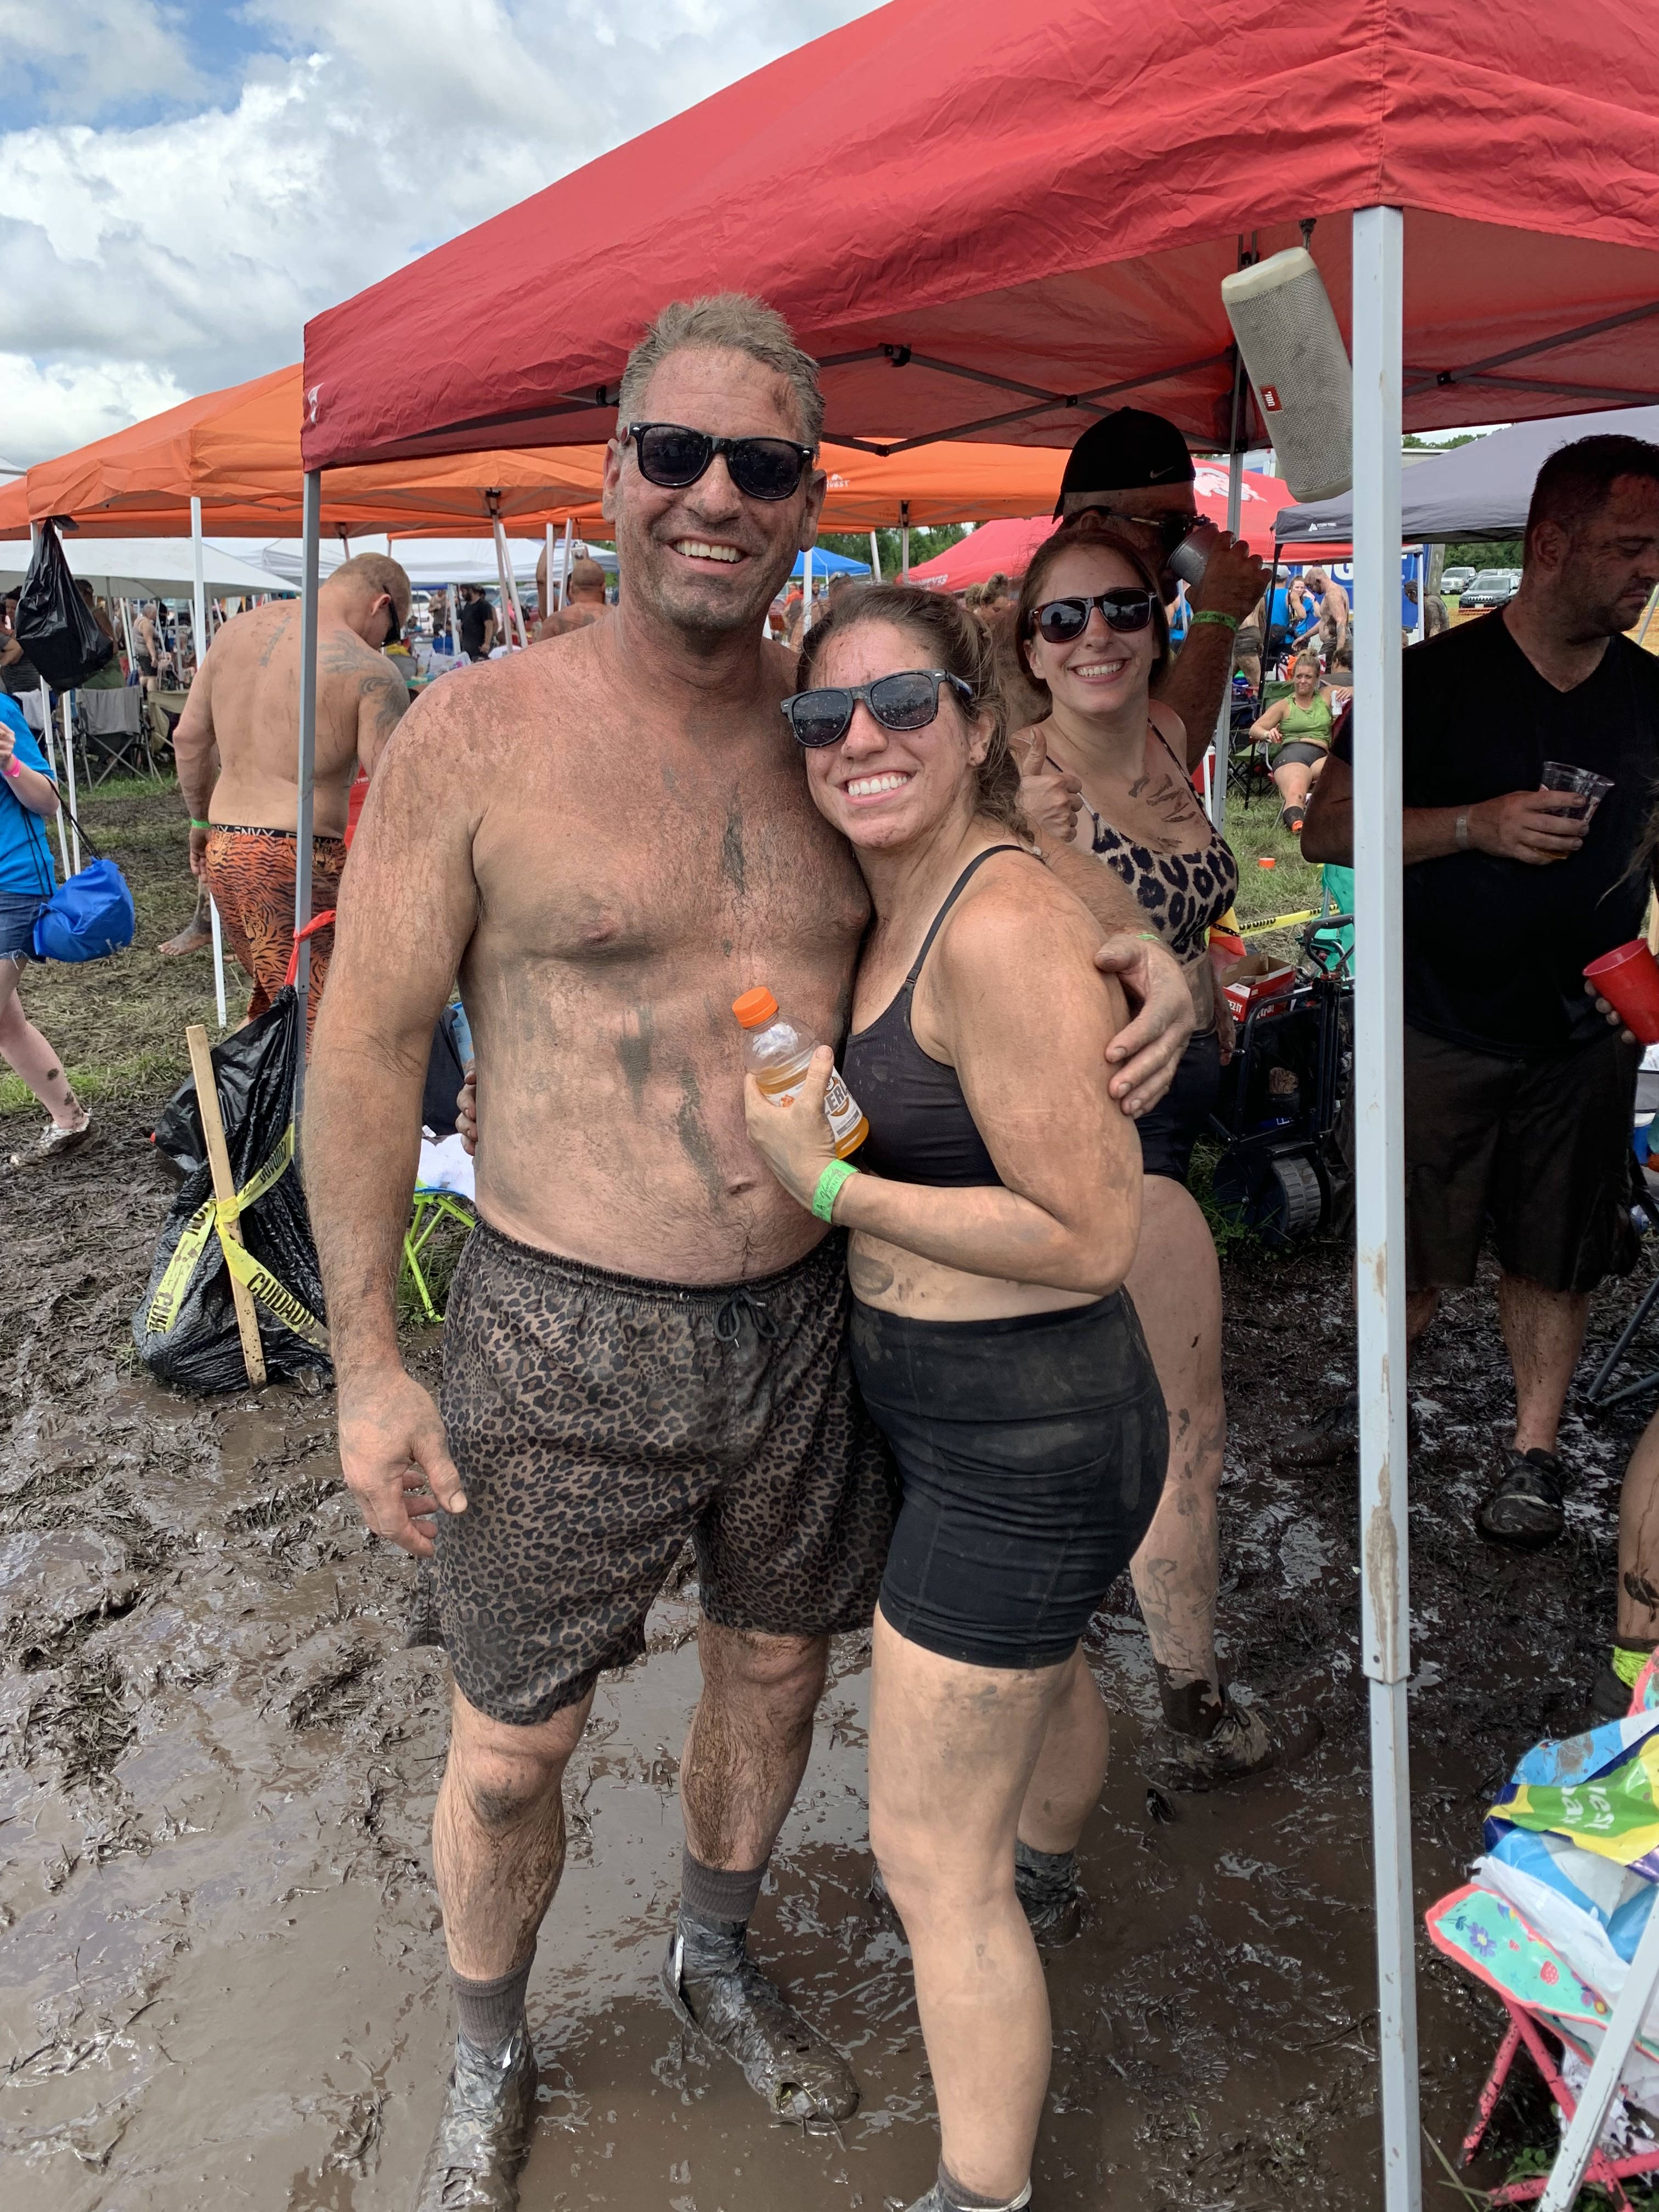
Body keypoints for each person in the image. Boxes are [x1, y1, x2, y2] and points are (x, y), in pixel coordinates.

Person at [303, 292, 1193, 2212]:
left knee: (776, 1676)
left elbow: (1023, 845)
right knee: (512, 1746)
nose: (716, 494)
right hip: (556, 1324)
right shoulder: (475, 733)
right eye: (676, 453)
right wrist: (369, 1360)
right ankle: (489, 2044)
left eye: (763, 464)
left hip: (806, 1324)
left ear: (807, 497)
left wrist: (1154, 957)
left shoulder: (837, 725)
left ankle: (714, 1952)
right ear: (611, 475)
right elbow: (364, 1051)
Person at [743, 583, 1164, 2212]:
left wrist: (832, 1193)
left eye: (905, 703)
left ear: (977, 725)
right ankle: (1042, 1881)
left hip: (1024, 1438)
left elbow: (1090, 1233)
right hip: (985, 1421)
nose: (861, 736)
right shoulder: (913, 894)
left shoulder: (992, 927)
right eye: (824, 714)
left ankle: (983, 2193)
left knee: (927, 1858)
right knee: (1043, 1686)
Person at [1297, 433, 1659, 1545]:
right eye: (1627, 546)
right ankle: (1373, 1402)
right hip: (1434, 1017)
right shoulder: (1430, 682)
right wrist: (1473, 826)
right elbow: (1324, 828)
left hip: (1585, 1032)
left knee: (1558, 1252)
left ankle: (1533, 1453)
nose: (1650, 569)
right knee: (1408, 1240)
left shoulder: (1652, 694)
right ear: (1548, 545)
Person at [1011, 528, 1317, 1787]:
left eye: (1124, 609)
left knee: (1127, 1411)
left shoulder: (1161, 737)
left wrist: (1225, 608)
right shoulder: (1017, 779)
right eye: (1063, 620)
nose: (1097, 636)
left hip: (1177, 1108)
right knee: (1181, 1424)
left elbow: (1198, 670)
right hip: (1093, 1124)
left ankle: (1076, 1656)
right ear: (1028, 649)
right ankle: (1189, 1701)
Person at [172, 552, 411, 1040]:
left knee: (280, 1004)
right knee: (329, 1021)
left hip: (226, 849)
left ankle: (241, 1088)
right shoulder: (370, 670)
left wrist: (200, 823)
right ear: (381, 605)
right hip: (297, 858)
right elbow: (395, 790)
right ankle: (252, 1091)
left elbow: (189, 739)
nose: (384, 645)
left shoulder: (234, 632)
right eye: (390, 634)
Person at [1049, 409, 1269, 763]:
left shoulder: (1120, 616)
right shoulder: (1056, 627)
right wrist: (1218, 614)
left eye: (1192, 523)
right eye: (1170, 526)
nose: (1184, 541)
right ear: (1093, 528)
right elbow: (1163, 763)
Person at [0, 691, 90, 1156]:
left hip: (12, 886)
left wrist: (9, 763)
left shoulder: (1, 711)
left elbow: (48, 801)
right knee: (6, 1021)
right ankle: (70, 1121)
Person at [1248, 650, 1333, 831]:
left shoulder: (1326, 696)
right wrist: (1268, 734)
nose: (1303, 681)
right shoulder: (1284, 705)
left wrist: (1346, 692)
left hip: (1322, 757)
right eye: (1299, 676)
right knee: (1296, 792)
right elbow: (1255, 729)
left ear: (1317, 679)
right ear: (1293, 678)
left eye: (1308, 677)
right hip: (1293, 755)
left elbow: (1361, 690)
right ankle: (1299, 825)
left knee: (1347, 768)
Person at [532, 552, 612, 641]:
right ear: (603, 587)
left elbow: (541, 579)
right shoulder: (617, 619)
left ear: (571, 586)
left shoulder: (555, 622)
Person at [1304, 567, 1349, 656]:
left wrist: (1339, 653)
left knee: (1315, 664)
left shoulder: (1333, 594)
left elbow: (1341, 622)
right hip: (1332, 644)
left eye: (1311, 586)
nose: (1312, 591)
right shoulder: (1334, 591)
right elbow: (1325, 620)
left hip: (1335, 644)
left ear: (1318, 581)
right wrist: (1305, 636)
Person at [458, 584, 496, 662]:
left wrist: (487, 644)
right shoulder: (467, 606)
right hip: (467, 649)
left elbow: (489, 626)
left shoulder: (484, 606)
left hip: (480, 649)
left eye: (463, 591)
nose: (462, 594)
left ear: (471, 590)